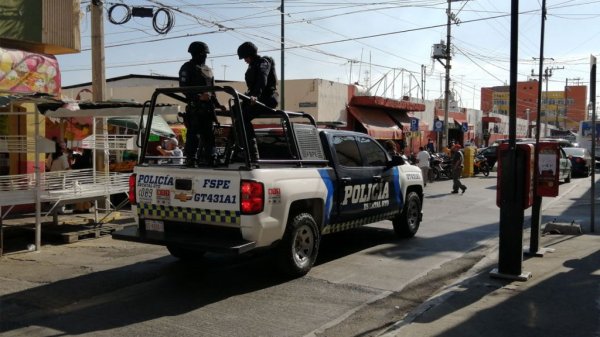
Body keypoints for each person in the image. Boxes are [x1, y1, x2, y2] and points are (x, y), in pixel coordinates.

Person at [179, 41, 224, 167]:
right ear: (195, 54)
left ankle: (211, 158)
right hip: (195, 108)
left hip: (208, 109)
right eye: (203, 54)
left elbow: (212, 89)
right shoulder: (187, 67)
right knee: (193, 135)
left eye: (205, 54)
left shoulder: (208, 69)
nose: (205, 56)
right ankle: (191, 158)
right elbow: (183, 88)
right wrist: (198, 96)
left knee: (209, 135)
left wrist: (218, 104)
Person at [237, 41, 279, 160]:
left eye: (245, 57)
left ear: (250, 54)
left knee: (243, 118)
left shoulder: (263, 62)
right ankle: (237, 149)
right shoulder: (252, 65)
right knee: (237, 115)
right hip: (255, 98)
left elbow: (262, 79)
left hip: (267, 98)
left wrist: (255, 95)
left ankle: (252, 152)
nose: (245, 60)